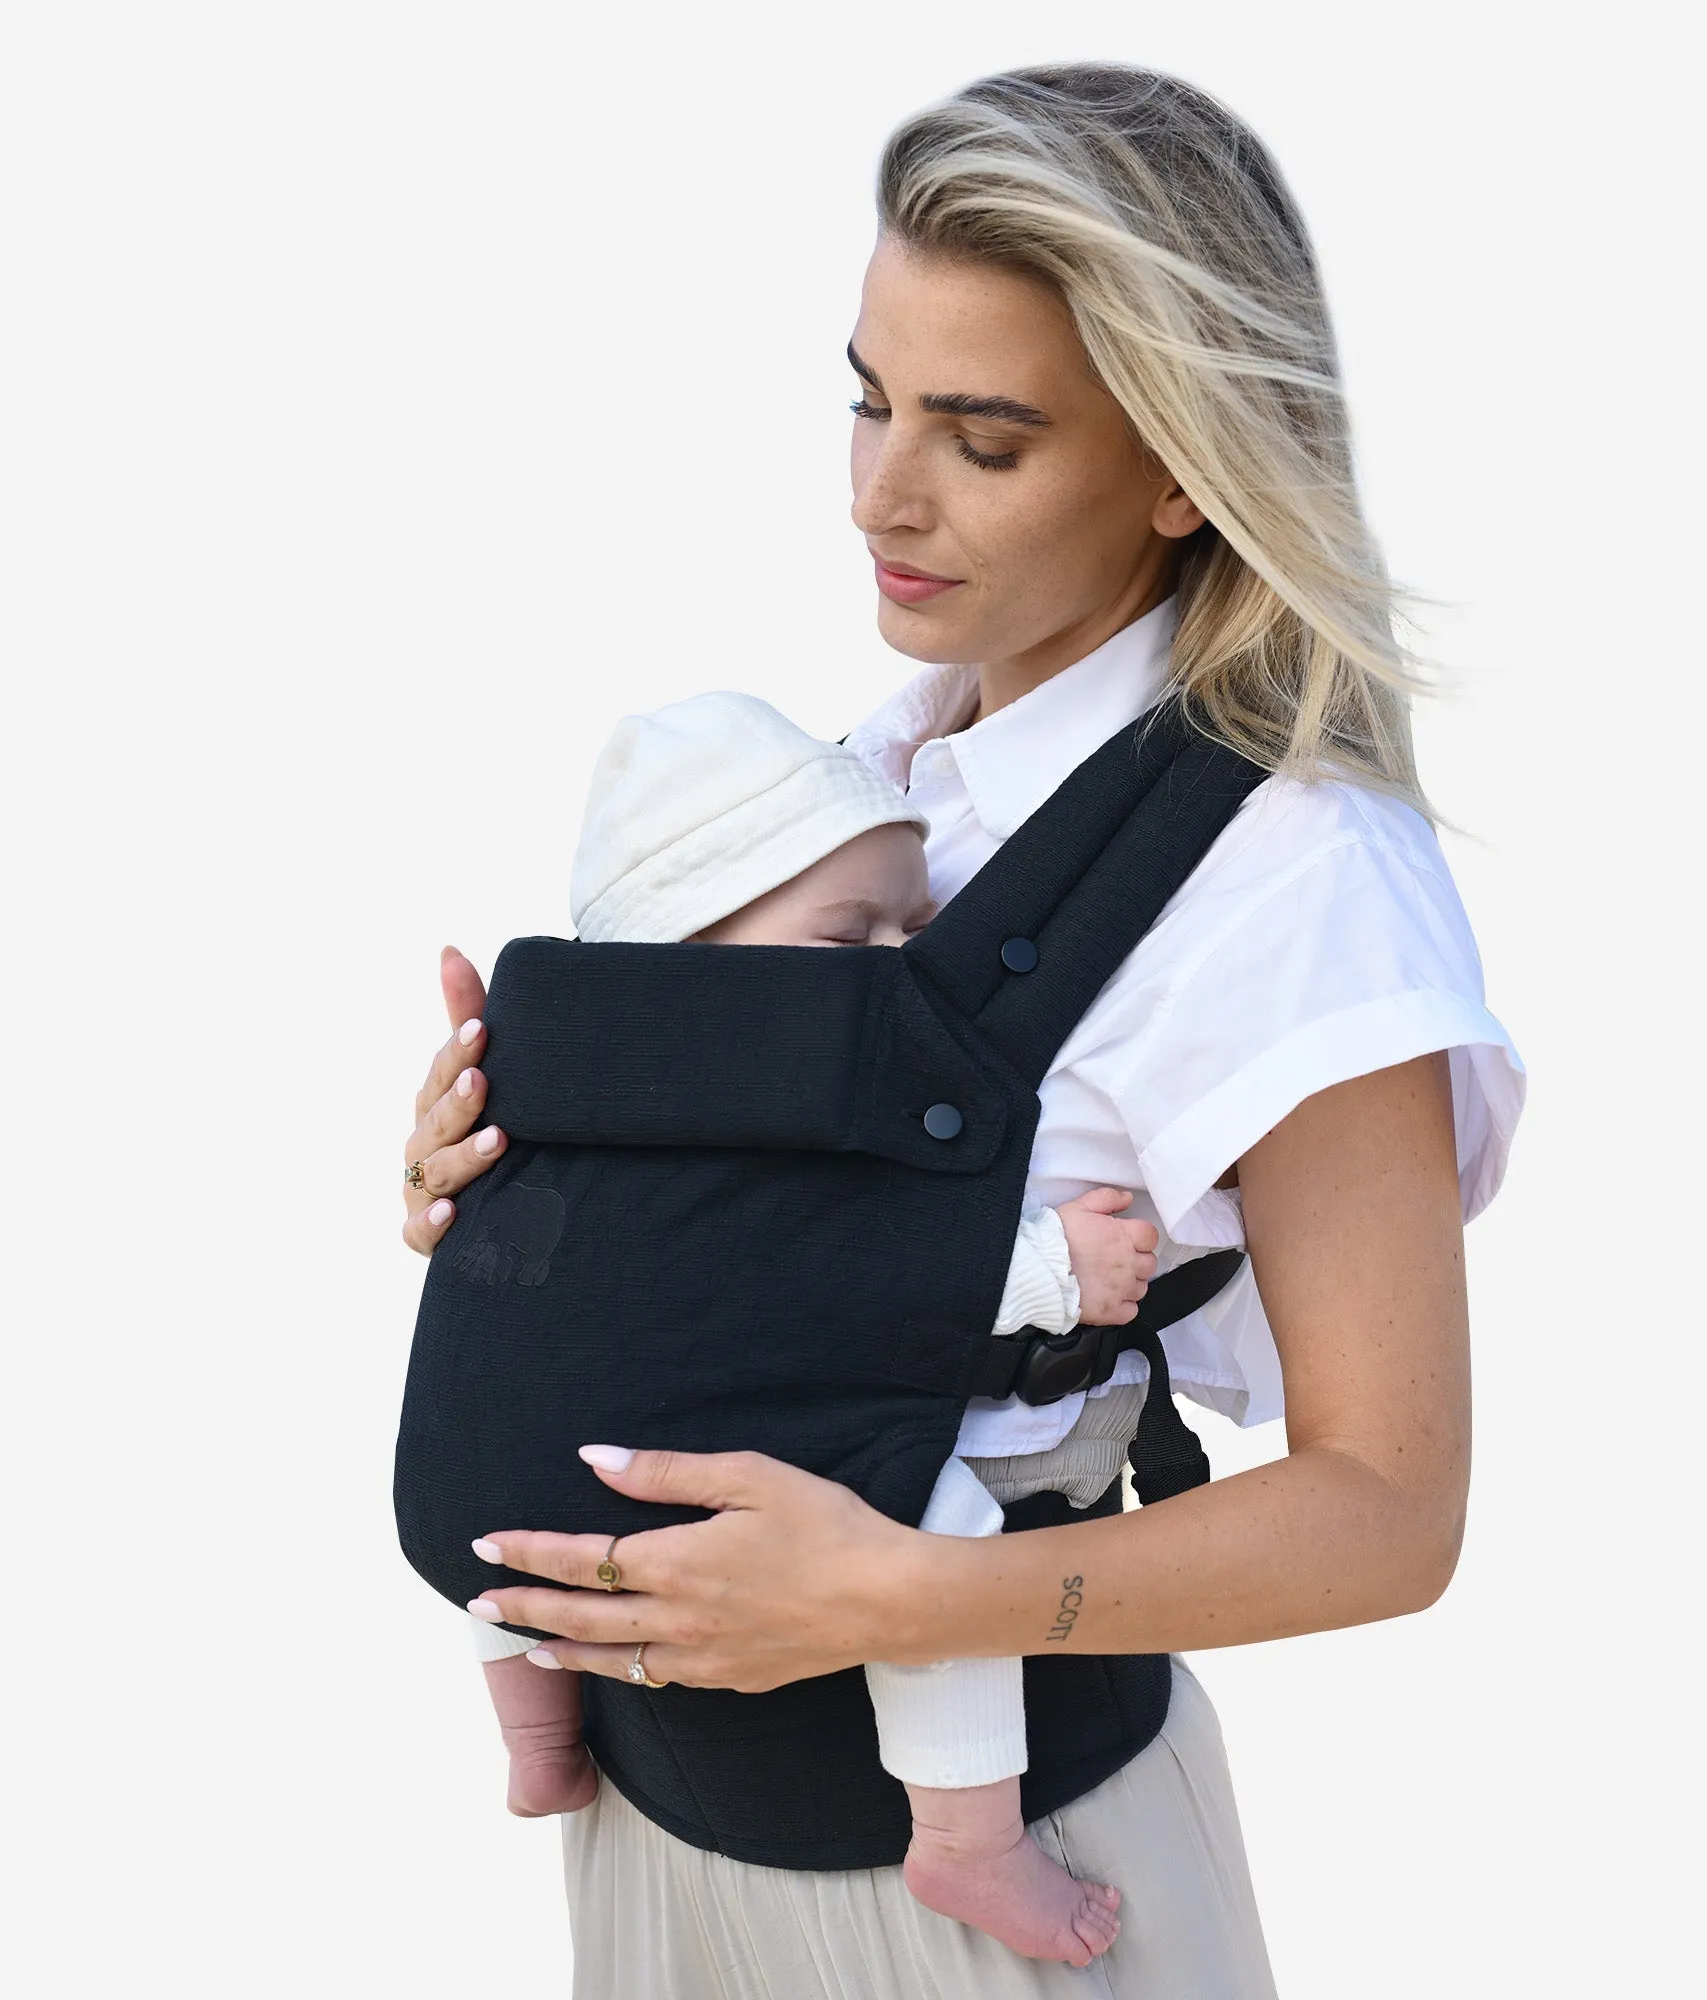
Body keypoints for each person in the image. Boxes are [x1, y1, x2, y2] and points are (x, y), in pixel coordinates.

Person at [400, 63, 1524, 1999]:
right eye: (870, 399)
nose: (878, 493)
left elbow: (1390, 1514)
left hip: (993, 1887)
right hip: (655, 1831)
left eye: (983, 439)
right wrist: (521, 1190)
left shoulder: (1295, 883)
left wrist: (916, 1596)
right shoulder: (875, 779)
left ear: (1183, 466)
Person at [469, 689, 1154, 1965]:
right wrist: (1053, 1270)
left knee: (498, 1497)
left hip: (580, 1451)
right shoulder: (767, 1090)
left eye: (917, 927)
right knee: (938, 1527)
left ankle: (536, 1731)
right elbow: (846, 1268)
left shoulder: (580, 1072)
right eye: (851, 933)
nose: (899, 965)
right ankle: (964, 1832)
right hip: (703, 1447)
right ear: (688, 953)